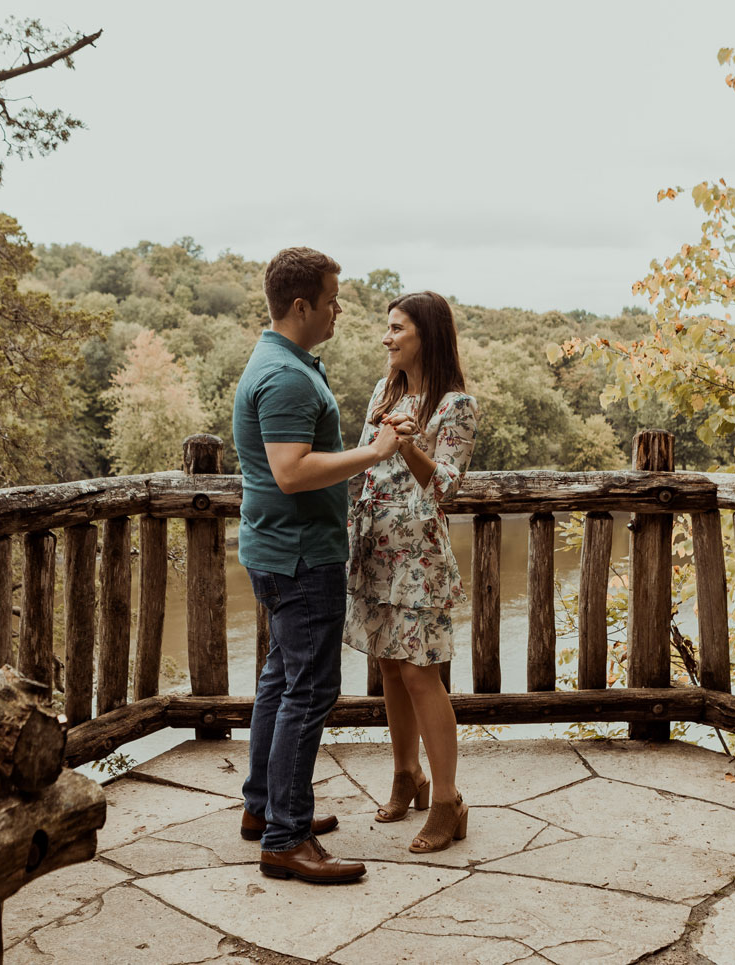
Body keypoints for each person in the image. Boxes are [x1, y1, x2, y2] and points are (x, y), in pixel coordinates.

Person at [232, 246, 403, 884]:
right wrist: (374, 450)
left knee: (281, 681)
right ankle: (284, 838)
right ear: (300, 305)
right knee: (309, 691)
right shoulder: (287, 377)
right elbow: (291, 470)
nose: (338, 310)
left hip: (279, 548)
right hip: (301, 557)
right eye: (332, 299)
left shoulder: (281, 361)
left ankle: (265, 808)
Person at [344, 290, 480, 853]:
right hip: (376, 548)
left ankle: (447, 800)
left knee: (422, 673)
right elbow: (364, 465)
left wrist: (406, 444)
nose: (387, 337)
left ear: (425, 334)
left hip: (419, 558)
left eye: (397, 328)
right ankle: (408, 775)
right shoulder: (384, 390)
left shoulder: (456, 405)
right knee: (391, 669)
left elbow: (446, 485)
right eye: (387, 327)